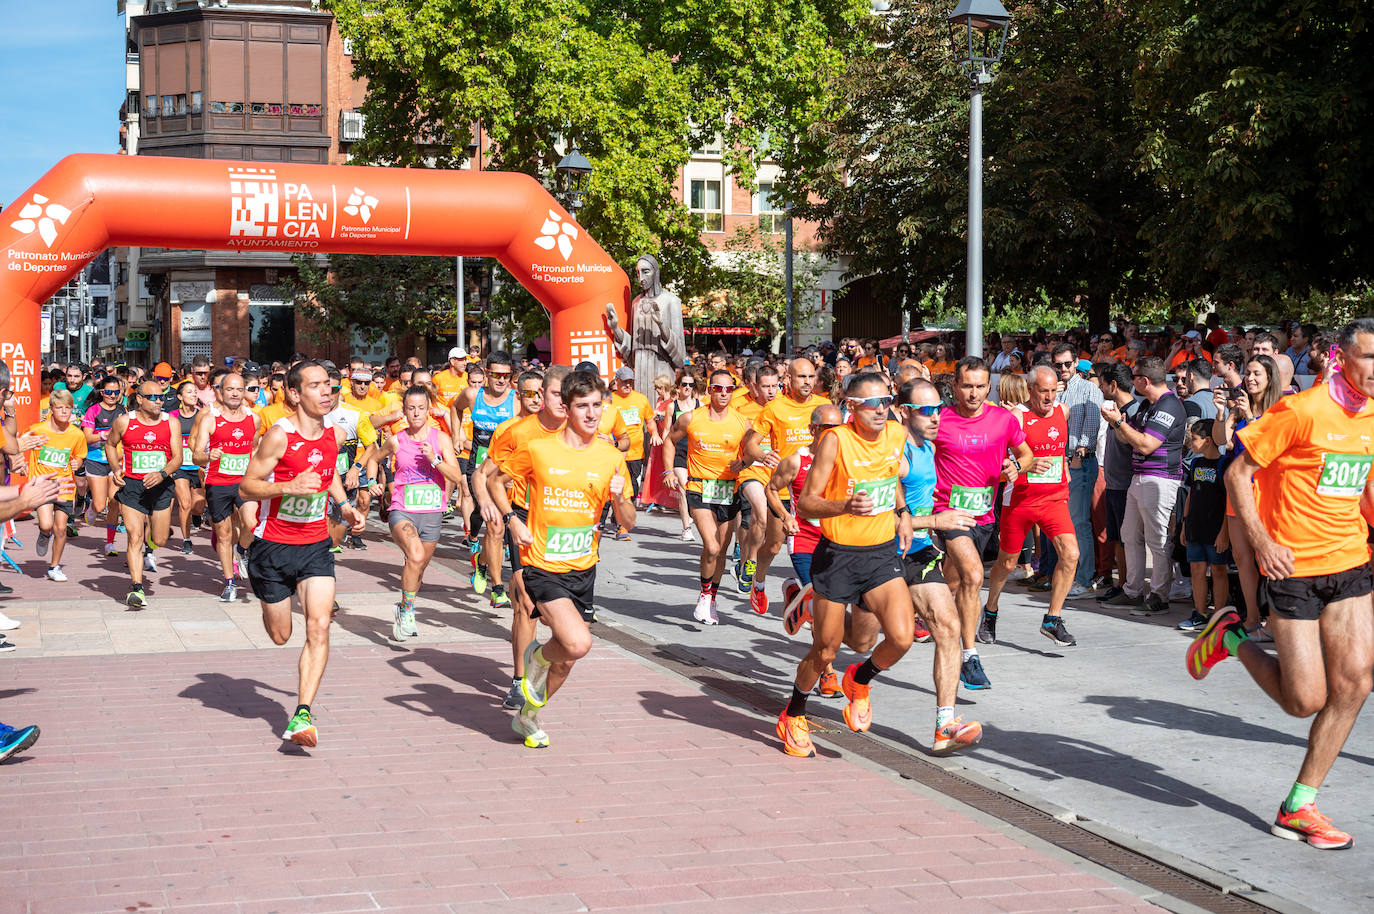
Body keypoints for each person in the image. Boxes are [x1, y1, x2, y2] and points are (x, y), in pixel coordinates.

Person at [1187, 319, 1374, 850]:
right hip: (1294, 566)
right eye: (1370, 358)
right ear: (1342, 358)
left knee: (1356, 684)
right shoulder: (1302, 410)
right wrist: (1263, 541)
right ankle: (1231, 639)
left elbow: (1361, 485)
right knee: (1304, 700)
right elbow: (1237, 474)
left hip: (1350, 562)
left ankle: (1300, 805)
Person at [487, 369, 636, 749]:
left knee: (567, 659)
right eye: (582, 406)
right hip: (542, 565)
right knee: (577, 643)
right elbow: (494, 482)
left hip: (583, 569)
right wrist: (511, 521)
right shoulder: (539, 449)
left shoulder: (610, 457)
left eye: (597, 406)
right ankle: (535, 657)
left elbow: (628, 522)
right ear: (566, 408)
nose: (591, 414)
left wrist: (620, 498)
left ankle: (528, 716)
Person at [775, 372, 914, 758]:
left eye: (886, 401)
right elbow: (806, 503)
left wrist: (902, 511)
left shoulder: (896, 434)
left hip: (882, 552)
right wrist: (844, 506)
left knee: (901, 638)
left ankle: (860, 679)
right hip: (838, 555)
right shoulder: (836, 441)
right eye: (872, 404)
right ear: (851, 408)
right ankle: (793, 714)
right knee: (825, 651)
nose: (881, 410)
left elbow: (889, 477)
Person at [239, 361, 366, 747]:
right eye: (316, 385)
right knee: (281, 635)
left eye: (329, 384)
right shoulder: (279, 436)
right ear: (294, 394)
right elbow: (246, 487)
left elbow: (326, 474)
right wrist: (287, 487)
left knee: (320, 626)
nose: (327, 391)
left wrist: (343, 506)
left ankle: (302, 714)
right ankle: (261, 588)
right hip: (272, 547)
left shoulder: (334, 433)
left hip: (315, 545)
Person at [933, 358, 1033, 690]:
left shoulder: (1003, 419)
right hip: (948, 513)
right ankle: (970, 656)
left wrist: (1016, 467)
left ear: (988, 387)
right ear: (954, 386)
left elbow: (1027, 454)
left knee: (954, 584)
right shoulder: (940, 420)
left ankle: (924, 609)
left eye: (979, 386)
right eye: (966, 385)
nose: (973, 393)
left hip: (984, 516)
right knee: (975, 575)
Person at [894, 380, 983, 752]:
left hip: (916, 552)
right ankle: (815, 605)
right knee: (861, 638)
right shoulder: (894, 455)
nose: (936, 417)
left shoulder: (928, 446)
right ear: (904, 412)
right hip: (880, 552)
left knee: (948, 627)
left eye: (939, 409)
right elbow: (882, 519)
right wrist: (936, 522)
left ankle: (944, 726)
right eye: (926, 410)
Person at [474, 365, 569, 709]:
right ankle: (518, 680)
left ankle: (542, 658)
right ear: (542, 395)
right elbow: (483, 474)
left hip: (563, 527)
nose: (563, 401)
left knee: (556, 615)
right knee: (526, 606)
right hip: (525, 521)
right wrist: (489, 504)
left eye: (567, 395)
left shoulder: (581, 431)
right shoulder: (515, 431)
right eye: (557, 393)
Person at [980, 366, 1081, 647]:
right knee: (1008, 562)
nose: (1049, 397)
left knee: (1071, 554)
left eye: (1053, 391)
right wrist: (1026, 464)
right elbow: (997, 464)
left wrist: (1064, 466)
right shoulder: (1016, 418)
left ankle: (1053, 619)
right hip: (1020, 500)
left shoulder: (1064, 410)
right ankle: (990, 610)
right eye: (1043, 391)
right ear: (1030, 389)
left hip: (1054, 499)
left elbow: (1058, 447)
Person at [371, 385, 463, 641]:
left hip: (432, 512)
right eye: (411, 409)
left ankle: (402, 607)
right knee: (415, 554)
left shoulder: (440, 439)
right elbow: (373, 459)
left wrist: (435, 460)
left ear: (428, 410)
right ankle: (409, 610)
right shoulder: (396, 439)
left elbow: (456, 477)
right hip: (403, 509)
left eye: (421, 408)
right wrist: (371, 482)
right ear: (404, 411)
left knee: (419, 566)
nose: (416, 414)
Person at [741, 359, 830, 615]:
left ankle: (803, 589)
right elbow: (751, 444)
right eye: (801, 377)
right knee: (773, 545)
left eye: (811, 377)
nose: (807, 382)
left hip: (817, 489)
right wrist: (762, 456)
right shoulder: (774, 408)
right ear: (788, 379)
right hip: (783, 490)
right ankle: (758, 582)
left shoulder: (824, 406)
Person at [1100, 356, 1187, 615]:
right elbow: (1129, 438)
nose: (1131, 381)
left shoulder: (1168, 406)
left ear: (1144, 381)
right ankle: (1133, 590)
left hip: (1160, 478)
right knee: (1130, 535)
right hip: (1141, 478)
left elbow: (1146, 444)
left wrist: (1117, 422)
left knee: (1157, 539)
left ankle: (1160, 594)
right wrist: (1118, 421)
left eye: (1135, 376)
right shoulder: (1150, 405)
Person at [665, 368, 750, 625]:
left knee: (721, 551)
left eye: (728, 389)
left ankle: (712, 598)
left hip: (728, 489)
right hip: (699, 487)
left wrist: (743, 463)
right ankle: (704, 596)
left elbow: (753, 451)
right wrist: (669, 470)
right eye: (718, 388)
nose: (723, 394)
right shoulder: (691, 418)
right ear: (709, 390)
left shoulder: (742, 422)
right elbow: (669, 440)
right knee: (711, 546)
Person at [1211, 354, 1283, 634]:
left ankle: (1275, 620)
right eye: (1248, 373)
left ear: (1270, 378)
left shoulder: (1279, 409)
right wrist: (1221, 413)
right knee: (1242, 558)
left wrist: (1252, 418)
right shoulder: (1238, 407)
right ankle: (1252, 619)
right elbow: (1220, 441)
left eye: (1258, 374)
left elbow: (1269, 446)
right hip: (1238, 490)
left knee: (1267, 558)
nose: (1251, 379)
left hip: (1268, 490)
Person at [106, 381, 182, 608]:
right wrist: (116, 469)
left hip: (161, 486)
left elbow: (177, 457)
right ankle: (137, 588)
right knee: (134, 536)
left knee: (159, 539)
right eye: (153, 397)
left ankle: (154, 542)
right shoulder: (124, 422)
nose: (159, 401)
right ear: (139, 399)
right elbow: (110, 445)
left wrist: (162, 473)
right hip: (132, 487)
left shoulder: (171, 423)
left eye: (162, 397)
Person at [192, 371, 262, 602]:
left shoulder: (253, 418)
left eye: (239, 389)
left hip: (244, 483)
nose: (234, 394)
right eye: (230, 389)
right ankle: (229, 582)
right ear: (220, 391)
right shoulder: (210, 419)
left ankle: (241, 551)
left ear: (244, 392)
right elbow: (196, 456)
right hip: (218, 483)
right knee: (223, 535)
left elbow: (253, 449)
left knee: (252, 525)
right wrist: (208, 456)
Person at [1051, 343, 1103, 599]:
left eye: (1067, 364)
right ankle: (1069, 573)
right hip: (1056, 461)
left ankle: (1084, 577)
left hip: (1077, 461)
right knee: (1063, 522)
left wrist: (1078, 457)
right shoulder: (1054, 392)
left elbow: (1090, 429)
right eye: (1058, 365)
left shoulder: (1088, 389)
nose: (1063, 369)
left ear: (1076, 363)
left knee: (1079, 522)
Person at [26, 389, 87, 582]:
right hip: (43, 485)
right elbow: (19, 447)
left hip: (65, 486)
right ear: (51, 408)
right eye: (59, 407)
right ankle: (44, 534)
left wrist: (77, 463)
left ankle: (54, 566)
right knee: (46, 524)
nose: (64, 412)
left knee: (61, 529)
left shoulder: (76, 434)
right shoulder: (38, 429)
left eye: (68, 408)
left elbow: (79, 456)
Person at [1177, 420, 1231, 632]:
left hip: (1216, 529)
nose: (1190, 443)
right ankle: (1200, 613)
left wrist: (1224, 532)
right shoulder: (1196, 464)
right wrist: (1184, 525)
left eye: (1194, 439)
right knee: (1197, 569)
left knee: (1218, 570)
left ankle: (1219, 615)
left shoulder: (1224, 464)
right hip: (1195, 527)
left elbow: (1230, 500)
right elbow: (1191, 494)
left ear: (1207, 440)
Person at [604, 366, 658, 537]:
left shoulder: (641, 399)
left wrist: (654, 433)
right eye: (624, 382)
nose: (628, 385)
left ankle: (621, 515)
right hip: (615, 452)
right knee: (617, 487)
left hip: (636, 453)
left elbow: (650, 421)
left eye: (630, 382)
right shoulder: (610, 400)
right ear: (617, 381)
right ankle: (622, 526)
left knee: (632, 488)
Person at [81, 377, 126, 557]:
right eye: (109, 392)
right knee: (100, 506)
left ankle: (109, 542)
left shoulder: (123, 411)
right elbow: (86, 437)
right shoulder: (93, 410)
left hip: (116, 460)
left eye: (116, 392)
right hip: (95, 459)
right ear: (102, 392)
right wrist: (103, 435)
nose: (112, 396)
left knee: (114, 500)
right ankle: (91, 508)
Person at [171, 381, 207, 555]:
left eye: (195, 392)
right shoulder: (171, 417)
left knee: (198, 506)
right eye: (189, 392)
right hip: (179, 466)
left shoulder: (201, 416)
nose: (194, 395)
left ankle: (196, 515)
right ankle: (186, 540)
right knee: (184, 504)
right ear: (180, 396)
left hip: (198, 466)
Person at [665, 372, 702, 541]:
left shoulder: (700, 405)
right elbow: (667, 430)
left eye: (690, 385)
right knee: (683, 486)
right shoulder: (672, 406)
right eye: (684, 384)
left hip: (697, 453)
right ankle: (686, 528)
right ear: (678, 386)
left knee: (695, 490)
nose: (687, 388)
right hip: (679, 450)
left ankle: (692, 515)